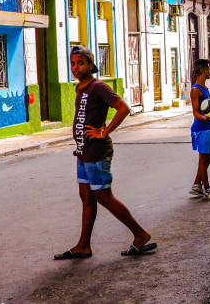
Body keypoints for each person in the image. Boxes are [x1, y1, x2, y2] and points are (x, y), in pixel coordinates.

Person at [54, 46, 156, 260]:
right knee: (86, 197)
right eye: (72, 63)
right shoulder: (80, 88)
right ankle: (83, 245)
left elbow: (123, 108)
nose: (76, 67)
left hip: (97, 153)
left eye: (80, 63)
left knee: (104, 197)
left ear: (91, 65)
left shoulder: (98, 87)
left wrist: (104, 131)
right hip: (83, 152)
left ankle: (140, 234)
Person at [189, 59, 210, 201]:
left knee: (209, 156)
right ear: (204, 71)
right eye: (209, 69)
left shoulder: (205, 89)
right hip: (201, 128)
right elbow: (195, 112)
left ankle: (196, 184)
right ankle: (207, 189)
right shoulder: (195, 90)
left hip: (209, 126)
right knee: (203, 158)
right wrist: (207, 119)